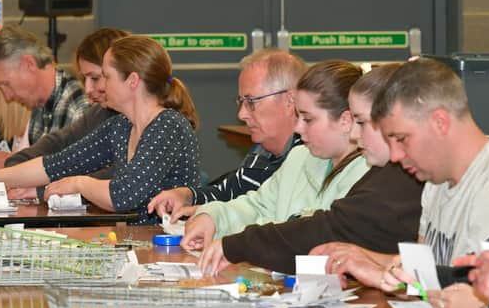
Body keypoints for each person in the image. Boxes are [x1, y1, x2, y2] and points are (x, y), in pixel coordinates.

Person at [315, 58, 489, 308]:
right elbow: (435, 273)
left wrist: (383, 272)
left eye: (402, 139)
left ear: (440, 123)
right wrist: (367, 262)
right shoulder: (435, 177)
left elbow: (473, 293)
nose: (396, 156)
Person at [0, 35, 201, 224]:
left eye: (106, 77)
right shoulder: (121, 126)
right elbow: (54, 164)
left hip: (170, 248)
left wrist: (78, 183)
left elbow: (122, 195)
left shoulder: (167, 126)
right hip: (142, 246)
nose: (99, 88)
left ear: (132, 81)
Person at [197, 63, 423, 275]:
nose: (356, 134)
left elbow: (327, 231)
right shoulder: (304, 157)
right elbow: (260, 204)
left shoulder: (389, 174)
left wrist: (238, 245)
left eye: (361, 122)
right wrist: (213, 216)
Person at [181, 60, 370, 257]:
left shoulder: (369, 174)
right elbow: (258, 206)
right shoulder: (300, 157)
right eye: (298, 116)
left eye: (308, 119)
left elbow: (316, 234)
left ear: (345, 120)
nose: (298, 128)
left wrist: (242, 243)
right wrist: (213, 217)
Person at [147, 48, 307, 221]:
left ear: (290, 100)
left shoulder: (308, 156)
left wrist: (217, 217)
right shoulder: (262, 150)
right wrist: (188, 195)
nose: (241, 114)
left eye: (251, 102)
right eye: (241, 102)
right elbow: (228, 192)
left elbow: (276, 221)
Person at [0, 27, 131, 172]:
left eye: (95, 78)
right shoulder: (99, 113)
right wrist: (13, 164)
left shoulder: (81, 104)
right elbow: (58, 143)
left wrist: (15, 167)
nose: (88, 90)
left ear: (131, 78)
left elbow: (86, 168)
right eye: (85, 79)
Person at [0, 24, 90, 150]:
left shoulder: (77, 106)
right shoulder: (37, 103)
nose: (7, 96)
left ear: (29, 64)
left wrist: (7, 161)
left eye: (6, 84)